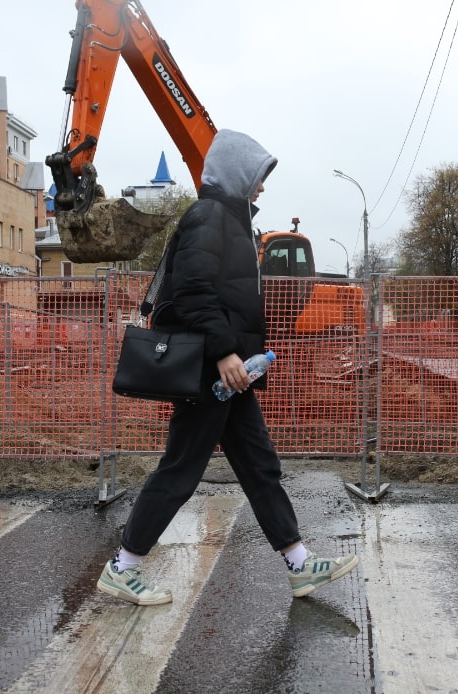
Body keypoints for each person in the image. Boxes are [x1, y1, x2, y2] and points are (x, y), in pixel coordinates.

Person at [98, 130, 359, 606]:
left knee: (260, 466)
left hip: (230, 375)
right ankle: (123, 567)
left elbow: (223, 297)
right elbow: (194, 291)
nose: (261, 187)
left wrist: (237, 357)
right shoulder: (209, 216)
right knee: (180, 469)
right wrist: (223, 352)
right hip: (209, 371)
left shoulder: (232, 221)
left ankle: (299, 562)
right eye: (257, 177)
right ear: (238, 174)